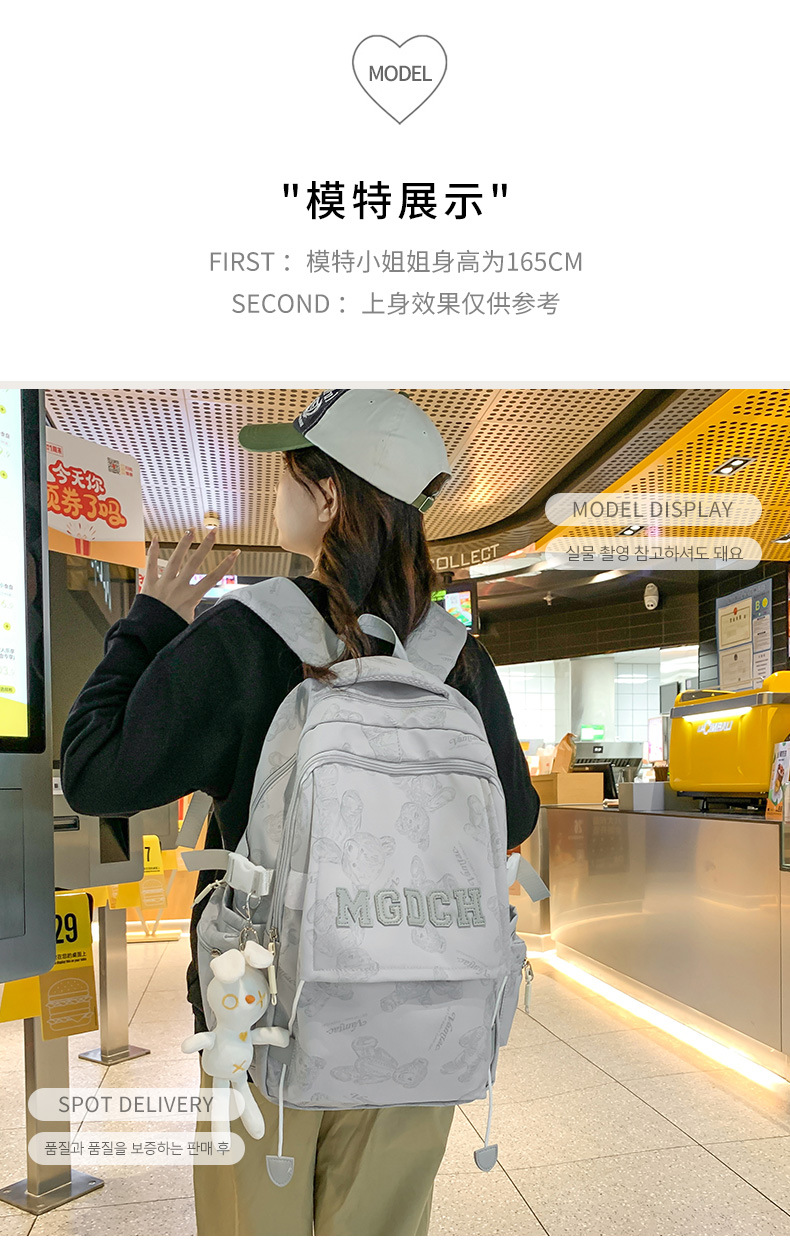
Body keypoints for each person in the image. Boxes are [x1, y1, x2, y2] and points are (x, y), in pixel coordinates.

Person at [61, 389, 540, 1236]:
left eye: (287, 472)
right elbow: (514, 820)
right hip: (421, 1027)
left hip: (261, 1024)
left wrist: (150, 623)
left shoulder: (244, 636)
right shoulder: (457, 658)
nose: (273, 487)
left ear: (329, 496)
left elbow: (94, 768)